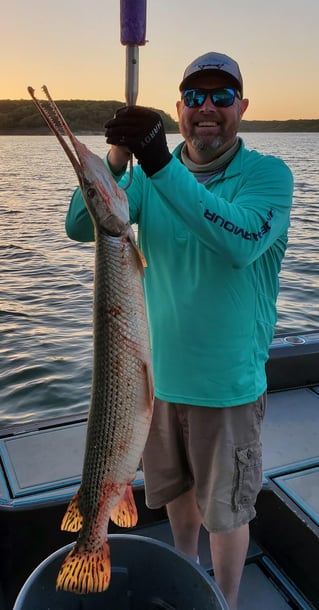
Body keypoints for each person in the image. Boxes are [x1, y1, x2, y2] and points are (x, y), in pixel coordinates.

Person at [65, 52, 293, 609]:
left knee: (228, 512)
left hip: (227, 388)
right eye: (194, 97)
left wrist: (159, 165)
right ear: (178, 110)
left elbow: (239, 242)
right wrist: (117, 157)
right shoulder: (143, 181)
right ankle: (187, 574)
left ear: (242, 106)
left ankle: (226, 600)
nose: (207, 108)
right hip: (153, 384)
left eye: (220, 96)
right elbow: (81, 225)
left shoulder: (267, 176)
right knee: (178, 499)